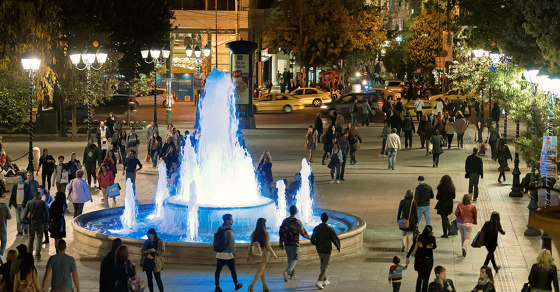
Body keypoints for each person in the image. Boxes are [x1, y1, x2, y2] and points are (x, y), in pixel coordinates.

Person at [279, 205, 310, 282]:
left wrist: (281, 242)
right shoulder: (297, 222)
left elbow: (281, 232)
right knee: (295, 258)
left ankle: (292, 275)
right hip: (294, 243)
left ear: (290, 211)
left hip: (286, 243)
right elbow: (303, 233)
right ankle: (287, 272)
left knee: (290, 259)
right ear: (296, 212)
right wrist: (310, 237)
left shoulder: (285, 221)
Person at [246, 218, 278, 292]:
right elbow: (267, 245)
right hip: (263, 254)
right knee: (260, 271)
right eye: (265, 223)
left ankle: (264, 286)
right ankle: (252, 285)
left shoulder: (254, 233)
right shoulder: (265, 233)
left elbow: (251, 245)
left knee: (261, 270)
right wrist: (274, 254)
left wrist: (248, 255)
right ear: (263, 224)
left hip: (256, 254)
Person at [310, 212, 341, 290]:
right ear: (328, 219)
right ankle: (319, 281)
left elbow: (312, 239)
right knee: (326, 266)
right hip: (327, 250)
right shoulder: (329, 229)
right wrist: (338, 246)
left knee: (322, 264)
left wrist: (316, 244)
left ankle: (325, 280)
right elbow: (334, 239)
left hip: (319, 249)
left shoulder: (316, 228)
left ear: (321, 219)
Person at [214, 214, 243, 292]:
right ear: (227, 221)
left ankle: (217, 287)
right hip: (228, 255)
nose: (232, 221)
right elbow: (231, 245)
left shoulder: (219, 229)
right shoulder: (230, 232)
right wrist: (234, 253)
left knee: (218, 271)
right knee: (233, 270)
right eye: (230, 219)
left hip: (219, 254)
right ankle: (236, 285)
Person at [406, 225, 437, 292]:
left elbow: (413, 246)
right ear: (431, 231)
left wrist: (407, 256)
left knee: (420, 277)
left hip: (419, 260)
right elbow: (434, 247)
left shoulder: (419, 236)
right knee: (426, 279)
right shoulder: (432, 238)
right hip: (428, 260)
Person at [24, 190, 49, 261]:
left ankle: (29, 255)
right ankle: (37, 256)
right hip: (40, 223)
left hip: (31, 223)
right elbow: (46, 213)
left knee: (31, 239)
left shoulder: (29, 202)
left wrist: (23, 222)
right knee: (39, 239)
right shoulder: (42, 203)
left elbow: (25, 213)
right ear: (38, 196)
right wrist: (46, 223)